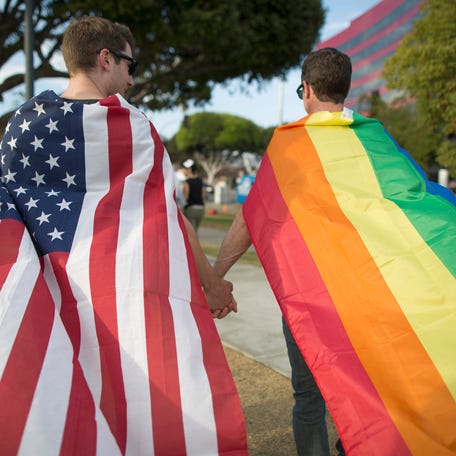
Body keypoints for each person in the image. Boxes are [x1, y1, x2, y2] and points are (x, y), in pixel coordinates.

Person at [0, 16, 246, 454]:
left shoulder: (21, 126)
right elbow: (170, 218)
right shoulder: (132, 129)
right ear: (105, 58)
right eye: (130, 66)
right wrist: (211, 284)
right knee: (126, 407)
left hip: (47, 299)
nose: (132, 80)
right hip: (119, 302)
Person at [214, 47, 456, 455]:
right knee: (370, 394)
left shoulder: (289, 146)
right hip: (376, 301)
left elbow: (248, 219)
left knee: (309, 397)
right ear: (345, 89)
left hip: (315, 299)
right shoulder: (376, 138)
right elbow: (414, 199)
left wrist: (216, 277)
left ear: (306, 89)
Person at [182, 158, 206, 232]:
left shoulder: (187, 182)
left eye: (185, 168)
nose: (183, 170)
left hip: (190, 209)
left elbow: (185, 197)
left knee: (190, 233)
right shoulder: (200, 180)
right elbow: (203, 195)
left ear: (189, 170)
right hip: (201, 209)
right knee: (195, 231)